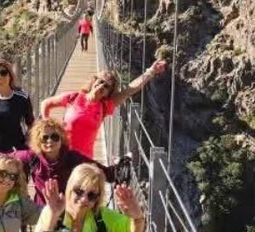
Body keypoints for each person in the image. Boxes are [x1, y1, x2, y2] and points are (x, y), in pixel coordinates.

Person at [0, 118, 115, 206]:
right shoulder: (32, 158)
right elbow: (0, 158)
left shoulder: (73, 158)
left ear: (62, 139)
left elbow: (101, 172)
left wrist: (119, 171)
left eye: (55, 137)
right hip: (42, 211)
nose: (49, 141)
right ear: (38, 141)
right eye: (44, 138)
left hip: (69, 209)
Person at [41, 59, 169, 159]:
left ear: (108, 93)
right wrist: (45, 127)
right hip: (61, 155)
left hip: (84, 161)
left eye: (107, 86)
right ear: (94, 81)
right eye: (101, 81)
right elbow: (46, 103)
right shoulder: (73, 97)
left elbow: (129, 90)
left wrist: (151, 72)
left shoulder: (104, 107)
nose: (102, 86)